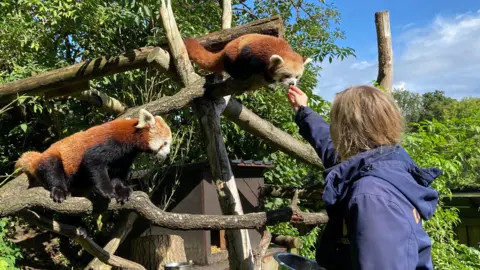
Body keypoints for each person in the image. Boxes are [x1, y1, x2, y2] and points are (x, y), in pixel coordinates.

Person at [287, 85, 441, 270]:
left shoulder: (371, 196)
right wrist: (303, 111)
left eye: (334, 122)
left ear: (344, 130)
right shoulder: (387, 163)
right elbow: (330, 149)